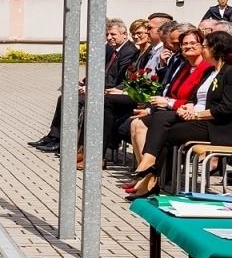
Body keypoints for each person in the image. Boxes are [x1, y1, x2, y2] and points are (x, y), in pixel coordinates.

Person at [131, 30, 230, 196]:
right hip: (197, 118)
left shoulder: (229, 73)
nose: (203, 49)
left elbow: (226, 108)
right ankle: (149, 169)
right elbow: (193, 98)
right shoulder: (210, 72)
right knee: (160, 117)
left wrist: (197, 115)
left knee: (162, 132)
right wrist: (187, 108)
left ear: (216, 49)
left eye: (205, 46)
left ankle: (150, 173)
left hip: (216, 126)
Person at [29, 19, 135, 152]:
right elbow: (103, 73)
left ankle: (67, 142)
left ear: (124, 34)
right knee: (65, 97)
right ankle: (54, 137)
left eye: (113, 34)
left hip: (113, 94)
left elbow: (117, 81)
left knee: (76, 101)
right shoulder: (113, 50)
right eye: (107, 34)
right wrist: (85, 83)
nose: (109, 38)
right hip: (102, 89)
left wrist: (93, 89)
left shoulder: (128, 51)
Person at [126, 27, 210, 169]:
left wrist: (167, 104)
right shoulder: (185, 67)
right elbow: (171, 93)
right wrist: (153, 109)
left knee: (150, 125)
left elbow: (194, 101)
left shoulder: (206, 69)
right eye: (184, 44)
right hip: (171, 110)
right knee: (136, 123)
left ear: (202, 46)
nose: (188, 46)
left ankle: (149, 172)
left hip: (190, 115)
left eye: (193, 43)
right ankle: (145, 172)